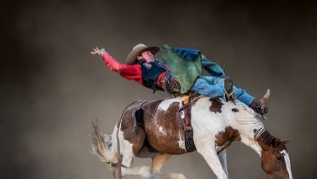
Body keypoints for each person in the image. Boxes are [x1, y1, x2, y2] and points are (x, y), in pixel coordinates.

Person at [91, 43, 269, 115]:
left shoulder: (160, 63)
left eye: (150, 52)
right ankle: (226, 92)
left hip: (183, 78)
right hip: (173, 84)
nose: (150, 54)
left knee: (217, 82)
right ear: (139, 57)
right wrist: (104, 54)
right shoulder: (138, 69)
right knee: (203, 85)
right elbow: (118, 67)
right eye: (146, 53)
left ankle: (255, 105)